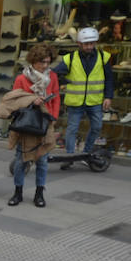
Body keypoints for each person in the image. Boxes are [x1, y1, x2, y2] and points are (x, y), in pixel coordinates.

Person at [3, 44, 60, 207]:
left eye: (48, 62)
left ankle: (39, 194)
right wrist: (31, 100)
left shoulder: (53, 77)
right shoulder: (22, 78)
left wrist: (54, 117)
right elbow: (14, 99)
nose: (45, 66)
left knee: (42, 161)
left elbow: (56, 98)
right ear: (34, 61)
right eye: (42, 62)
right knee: (21, 160)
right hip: (27, 123)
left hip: (45, 122)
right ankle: (18, 192)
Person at [52, 27, 112, 167]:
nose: (89, 46)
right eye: (86, 44)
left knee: (97, 126)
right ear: (79, 44)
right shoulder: (70, 58)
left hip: (95, 100)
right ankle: (70, 157)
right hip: (76, 101)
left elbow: (109, 78)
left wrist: (108, 97)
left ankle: (86, 153)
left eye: (91, 43)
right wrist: (62, 82)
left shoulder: (104, 57)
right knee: (72, 128)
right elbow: (55, 74)